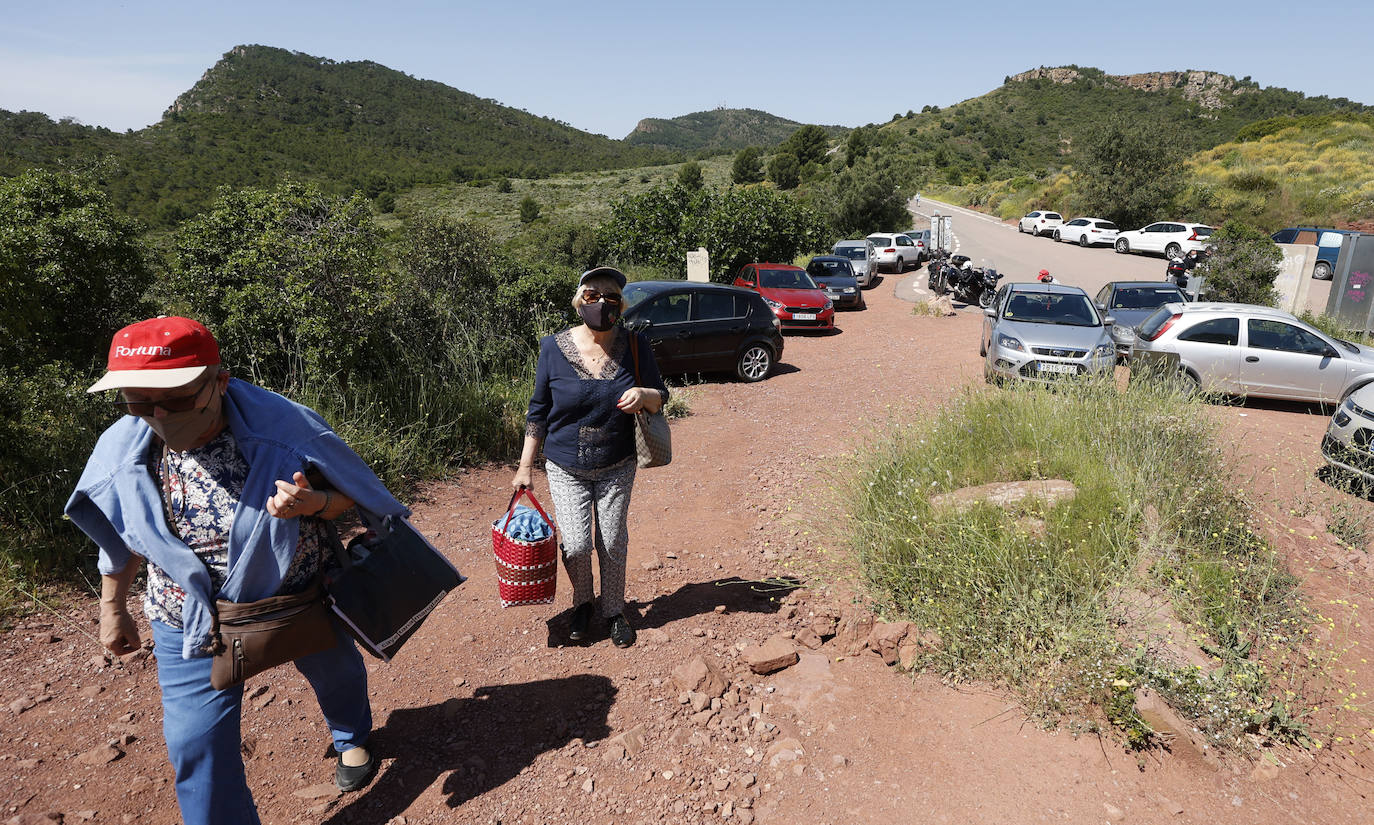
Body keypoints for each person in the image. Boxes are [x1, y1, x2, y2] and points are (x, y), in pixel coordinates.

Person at [65, 316, 408, 825]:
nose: (157, 414)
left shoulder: (288, 428)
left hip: (296, 596)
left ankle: (351, 736)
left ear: (218, 382)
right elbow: (123, 536)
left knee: (335, 674)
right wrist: (111, 607)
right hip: (188, 617)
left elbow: (352, 500)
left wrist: (312, 502)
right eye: (139, 401)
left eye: (176, 398)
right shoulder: (125, 448)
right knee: (195, 744)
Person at [512, 266, 669, 648]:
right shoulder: (552, 348)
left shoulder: (635, 345)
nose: (601, 302)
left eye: (611, 296)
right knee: (578, 543)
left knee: (612, 540)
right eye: (593, 294)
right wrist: (524, 467)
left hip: (617, 463)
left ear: (621, 304)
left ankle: (614, 609)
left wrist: (644, 396)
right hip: (565, 465)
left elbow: (662, 395)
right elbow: (538, 412)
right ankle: (583, 601)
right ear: (579, 300)